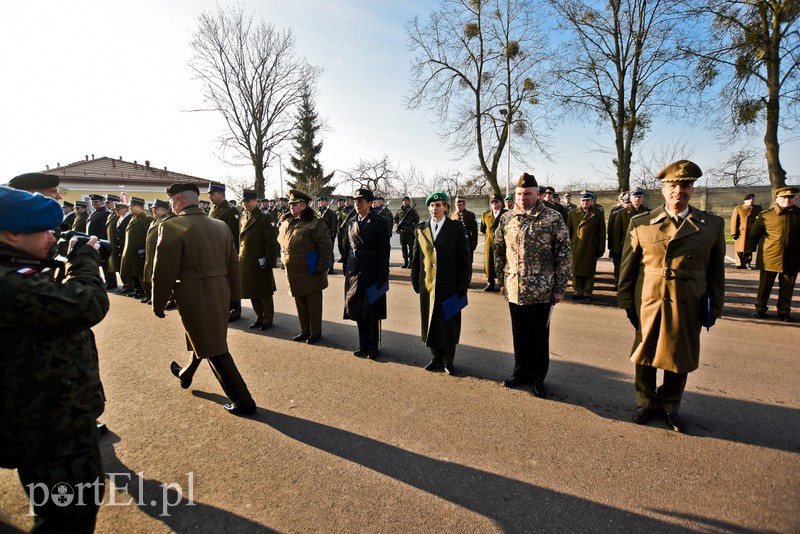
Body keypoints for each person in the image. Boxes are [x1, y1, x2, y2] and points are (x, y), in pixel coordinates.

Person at [0, 186, 109, 531]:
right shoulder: (10, 282)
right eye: (44, 230)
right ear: (12, 234)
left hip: (42, 416)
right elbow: (86, 304)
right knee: (68, 515)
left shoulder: (15, 271)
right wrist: (84, 260)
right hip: (50, 427)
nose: (52, 236)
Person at [618, 160, 725, 433]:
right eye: (673, 185)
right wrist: (626, 301)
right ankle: (645, 400)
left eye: (685, 186)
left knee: (679, 356)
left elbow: (716, 271)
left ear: (693, 190)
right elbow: (628, 268)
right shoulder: (641, 223)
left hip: (690, 301)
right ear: (663, 190)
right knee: (644, 354)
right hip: (649, 299)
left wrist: (715, 306)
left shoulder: (711, 225)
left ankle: (670, 406)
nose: (679, 191)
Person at [153, 183, 256, 415]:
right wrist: (234, 297)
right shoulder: (220, 225)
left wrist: (158, 302)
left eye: (172, 202)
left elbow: (163, 271)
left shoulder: (171, 226)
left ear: (178, 200)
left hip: (193, 293)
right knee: (205, 338)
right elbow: (233, 264)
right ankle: (186, 373)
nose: (171, 206)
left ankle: (244, 401)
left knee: (215, 348)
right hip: (220, 289)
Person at [495, 173, 571, 397]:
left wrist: (559, 288)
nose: (522, 198)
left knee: (539, 336)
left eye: (527, 193)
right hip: (514, 288)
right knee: (519, 334)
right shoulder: (507, 218)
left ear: (537, 193)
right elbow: (499, 250)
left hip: (542, 290)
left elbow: (564, 254)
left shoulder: (552, 218)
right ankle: (520, 373)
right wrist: (502, 281)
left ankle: (538, 378)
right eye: (519, 194)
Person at [410, 191, 472, 375]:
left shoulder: (456, 228)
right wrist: (415, 280)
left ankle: (448, 359)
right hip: (428, 285)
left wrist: (463, 284)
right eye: (432, 205)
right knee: (431, 322)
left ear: (446, 207)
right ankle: (435, 357)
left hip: (450, 285)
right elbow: (416, 258)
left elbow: (464, 258)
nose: (434, 209)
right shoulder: (421, 229)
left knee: (449, 324)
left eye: (438, 205)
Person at [277, 189, 334, 344]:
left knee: (313, 304)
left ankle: (315, 332)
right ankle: (305, 330)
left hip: (310, 270)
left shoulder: (315, 222)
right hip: (294, 270)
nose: (291, 207)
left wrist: (322, 267)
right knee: (300, 302)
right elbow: (282, 243)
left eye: (294, 204)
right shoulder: (287, 221)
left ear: (303, 205)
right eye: (290, 204)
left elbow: (325, 245)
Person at [343, 188, 391, 359]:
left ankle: (374, 347)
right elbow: (348, 248)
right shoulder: (351, 222)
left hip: (372, 270)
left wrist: (382, 275)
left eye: (361, 201)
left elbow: (384, 250)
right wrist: (347, 271)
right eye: (355, 201)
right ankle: (363, 346)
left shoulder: (379, 222)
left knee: (373, 313)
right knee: (357, 310)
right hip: (355, 271)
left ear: (370, 203)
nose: (357, 204)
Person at [750, 186, 799, 322]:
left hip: (792, 258)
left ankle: (783, 311)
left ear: (795, 199)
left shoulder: (799, 216)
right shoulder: (767, 215)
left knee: (787, 288)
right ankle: (760, 309)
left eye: (790, 197)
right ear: (778, 199)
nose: (787, 200)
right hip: (770, 257)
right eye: (784, 197)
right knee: (765, 286)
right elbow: (754, 233)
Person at [239, 189, 279, 330]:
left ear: (256, 201)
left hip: (260, 261)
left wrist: (269, 262)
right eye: (244, 202)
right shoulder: (243, 217)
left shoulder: (264, 217)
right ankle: (259, 317)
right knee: (251, 290)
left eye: (248, 201)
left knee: (264, 292)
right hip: (246, 261)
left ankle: (267, 318)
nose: (246, 204)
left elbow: (271, 242)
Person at [208, 183, 242, 322]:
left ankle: (235, 308)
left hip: (227, 252)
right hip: (215, 251)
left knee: (231, 280)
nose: (210, 196)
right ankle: (224, 306)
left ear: (221, 194)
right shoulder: (212, 210)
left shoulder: (230, 210)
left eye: (212, 194)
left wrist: (233, 254)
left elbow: (234, 234)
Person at [567, 190, 606, 301]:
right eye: (583, 200)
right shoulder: (573, 213)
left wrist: (601, 248)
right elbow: (568, 231)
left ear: (592, 201)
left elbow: (601, 232)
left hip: (591, 247)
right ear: (580, 201)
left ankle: (587, 292)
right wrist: (567, 247)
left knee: (589, 271)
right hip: (576, 246)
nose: (585, 202)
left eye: (587, 200)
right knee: (576, 270)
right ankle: (577, 291)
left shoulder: (597, 213)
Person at [610, 189, 650, 287]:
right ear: (630, 198)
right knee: (624, 270)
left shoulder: (649, 213)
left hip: (643, 247)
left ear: (643, 199)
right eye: (634, 197)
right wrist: (616, 249)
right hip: (626, 246)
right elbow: (617, 233)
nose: (637, 199)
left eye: (639, 197)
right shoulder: (622, 214)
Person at [141, 198, 174, 305]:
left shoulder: (168, 221)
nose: (153, 211)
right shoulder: (154, 220)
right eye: (153, 208)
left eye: (156, 209)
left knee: (163, 279)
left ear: (165, 210)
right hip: (151, 253)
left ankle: (169, 299)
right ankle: (157, 298)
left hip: (161, 254)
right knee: (153, 278)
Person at [120, 196, 152, 299]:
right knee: (137, 274)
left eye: (131, 207)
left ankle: (149, 295)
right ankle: (142, 292)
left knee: (143, 275)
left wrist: (143, 250)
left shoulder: (147, 218)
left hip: (141, 252)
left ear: (138, 206)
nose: (129, 209)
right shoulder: (134, 217)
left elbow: (149, 236)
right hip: (133, 252)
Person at [479, 194, 506, 291]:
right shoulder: (486, 215)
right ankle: (490, 282)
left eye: (496, 202)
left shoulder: (506, 214)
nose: (494, 204)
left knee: (503, 262)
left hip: (503, 242)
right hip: (489, 242)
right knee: (489, 262)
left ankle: (503, 283)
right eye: (492, 202)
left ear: (501, 203)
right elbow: (483, 229)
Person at [731, 193, 763, 269]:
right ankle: (739, 263)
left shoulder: (757, 209)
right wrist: (734, 233)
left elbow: (761, 220)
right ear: (745, 201)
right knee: (739, 249)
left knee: (749, 249)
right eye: (750, 199)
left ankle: (747, 263)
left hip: (752, 231)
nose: (752, 201)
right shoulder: (739, 209)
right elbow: (734, 221)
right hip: (741, 232)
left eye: (753, 199)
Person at [450, 195, 478, 262]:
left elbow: (474, 231)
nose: (458, 206)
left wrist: (473, 245)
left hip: (467, 244)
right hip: (456, 245)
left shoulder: (470, 215)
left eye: (460, 205)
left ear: (464, 205)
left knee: (467, 264)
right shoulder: (452, 215)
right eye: (457, 205)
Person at [394, 196, 420, 269]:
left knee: (411, 247)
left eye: (406, 201)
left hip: (410, 232)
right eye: (404, 201)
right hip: (402, 231)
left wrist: (412, 225)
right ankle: (405, 262)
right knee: (403, 247)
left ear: (409, 202)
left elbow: (417, 219)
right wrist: (397, 225)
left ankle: (411, 262)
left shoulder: (412, 210)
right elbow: (395, 219)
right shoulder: (399, 211)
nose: (405, 202)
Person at [316, 196, 338, 274]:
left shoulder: (331, 213)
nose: (320, 203)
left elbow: (334, 226)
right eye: (319, 201)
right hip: (319, 236)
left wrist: (332, 236)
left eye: (322, 201)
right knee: (320, 251)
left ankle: (330, 267)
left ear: (327, 203)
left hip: (328, 235)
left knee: (329, 252)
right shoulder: (317, 212)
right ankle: (322, 266)